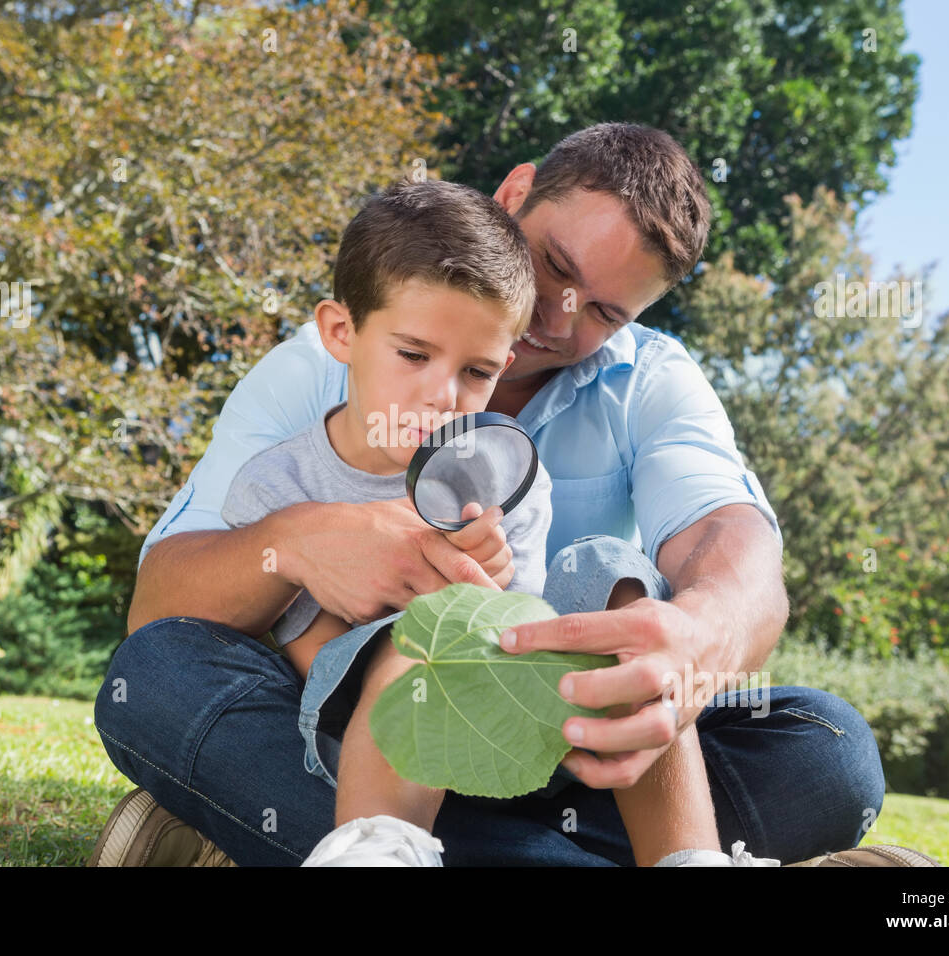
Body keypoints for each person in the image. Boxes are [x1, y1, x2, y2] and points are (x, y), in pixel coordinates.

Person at [91, 123, 894, 867]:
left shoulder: (647, 381)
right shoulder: (329, 357)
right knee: (156, 675)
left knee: (827, 751)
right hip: (361, 737)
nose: (555, 316)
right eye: (556, 266)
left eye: (606, 310)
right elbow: (162, 606)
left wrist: (695, 638)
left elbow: (736, 548)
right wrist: (297, 539)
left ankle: (271, 837)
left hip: (562, 734)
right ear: (513, 199)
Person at [204, 178, 775, 867]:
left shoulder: (503, 471)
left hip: (525, 707)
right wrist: (401, 612)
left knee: (617, 583)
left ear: (501, 366)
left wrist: (491, 574)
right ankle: (380, 847)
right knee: (412, 641)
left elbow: (522, 621)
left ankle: (688, 857)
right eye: (413, 356)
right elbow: (310, 655)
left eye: (475, 372)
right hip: (379, 730)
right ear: (340, 333)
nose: (441, 395)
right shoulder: (280, 484)